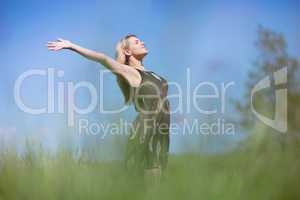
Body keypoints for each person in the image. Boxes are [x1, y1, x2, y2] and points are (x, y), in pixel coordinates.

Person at [47, 34, 170, 184]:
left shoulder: (151, 74)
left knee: (159, 171)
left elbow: (160, 102)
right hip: (147, 127)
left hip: (161, 127)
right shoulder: (130, 72)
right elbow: (102, 58)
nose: (142, 42)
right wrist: (72, 46)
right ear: (127, 52)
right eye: (137, 42)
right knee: (150, 172)